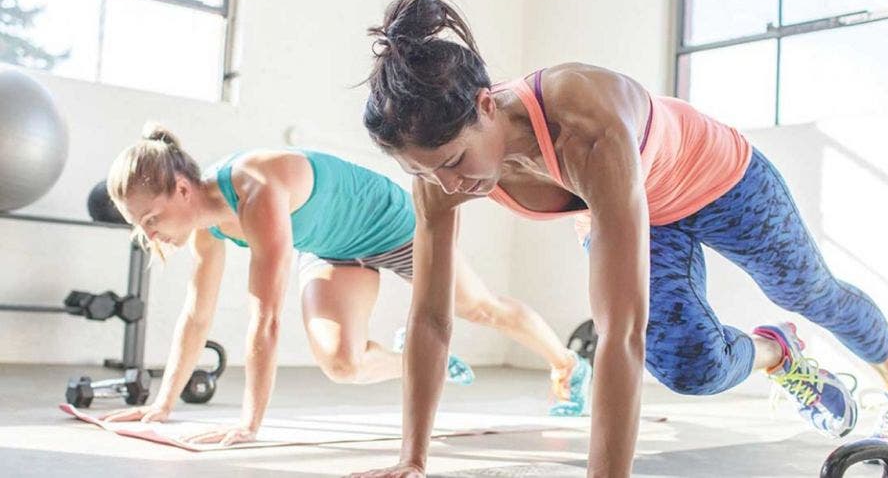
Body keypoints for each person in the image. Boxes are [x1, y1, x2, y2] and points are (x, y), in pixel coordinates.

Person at [352, 0, 888, 476]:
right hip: (635, 208)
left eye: (452, 163)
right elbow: (430, 315)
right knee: (690, 368)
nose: (444, 185)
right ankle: (779, 353)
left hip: (720, 179)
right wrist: (413, 458)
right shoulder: (437, 178)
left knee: (810, 293)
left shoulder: (583, 122)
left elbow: (619, 330)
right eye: (422, 171)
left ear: (485, 105)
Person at [98, 123, 593, 445]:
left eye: (150, 218)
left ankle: (568, 365)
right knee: (340, 362)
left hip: (391, 223)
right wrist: (162, 406)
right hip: (334, 249)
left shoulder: (254, 187)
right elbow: (196, 315)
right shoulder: (205, 228)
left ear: (182, 190)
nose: (149, 234)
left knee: (479, 307)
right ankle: (422, 359)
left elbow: (265, 319)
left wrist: (249, 425)